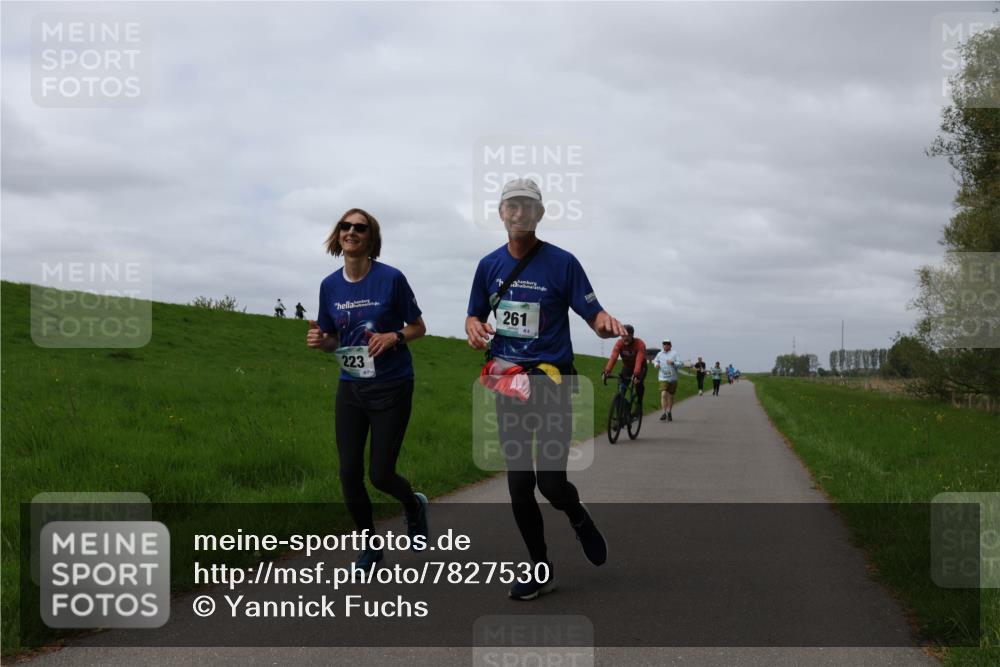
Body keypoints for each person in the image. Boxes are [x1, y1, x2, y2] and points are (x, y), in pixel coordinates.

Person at [466, 178, 623, 601]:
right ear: (501, 213)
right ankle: (540, 567)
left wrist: (605, 324)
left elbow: (593, 313)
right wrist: (474, 327)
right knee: (519, 483)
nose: (519, 213)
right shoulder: (488, 266)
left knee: (551, 484)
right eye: (512, 206)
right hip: (508, 383)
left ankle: (577, 516)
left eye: (527, 206)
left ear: (539, 214)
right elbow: (474, 315)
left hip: (553, 382)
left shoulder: (562, 263)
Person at [307, 207, 429, 572]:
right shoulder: (329, 286)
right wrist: (322, 342)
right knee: (348, 473)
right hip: (351, 387)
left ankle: (413, 505)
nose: (351, 232)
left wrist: (394, 337)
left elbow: (418, 327)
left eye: (360, 228)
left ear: (371, 238)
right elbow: (333, 339)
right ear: (338, 235)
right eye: (345, 226)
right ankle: (370, 548)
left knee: (381, 475)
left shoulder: (391, 279)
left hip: (392, 385)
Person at [601, 324, 647, 406]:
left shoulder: (640, 344)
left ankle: (639, 403)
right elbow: (613, 357)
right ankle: (623, 410)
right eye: (622, 335)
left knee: (638, 383)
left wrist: (636, 374)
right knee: (621, 389)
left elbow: (639, 360)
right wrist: (607, 371)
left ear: (632, 335)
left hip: (640, 367)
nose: (625, 338)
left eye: (627, 335)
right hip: (627, 367)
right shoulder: (619, 344)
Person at [653, 339, 684, 421]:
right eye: (664, 344)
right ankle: (664, 413)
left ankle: (669, 412)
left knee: (670, 396)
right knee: (663, 394)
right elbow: (655, 361)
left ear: (670, 345)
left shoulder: (675, 353)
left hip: (673, 378)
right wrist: (656, 364)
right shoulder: (659, 354)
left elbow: (681, 364)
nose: (666, 345)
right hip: (663, 377)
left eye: (667, 344)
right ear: (663, 345)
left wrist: (673, 363)